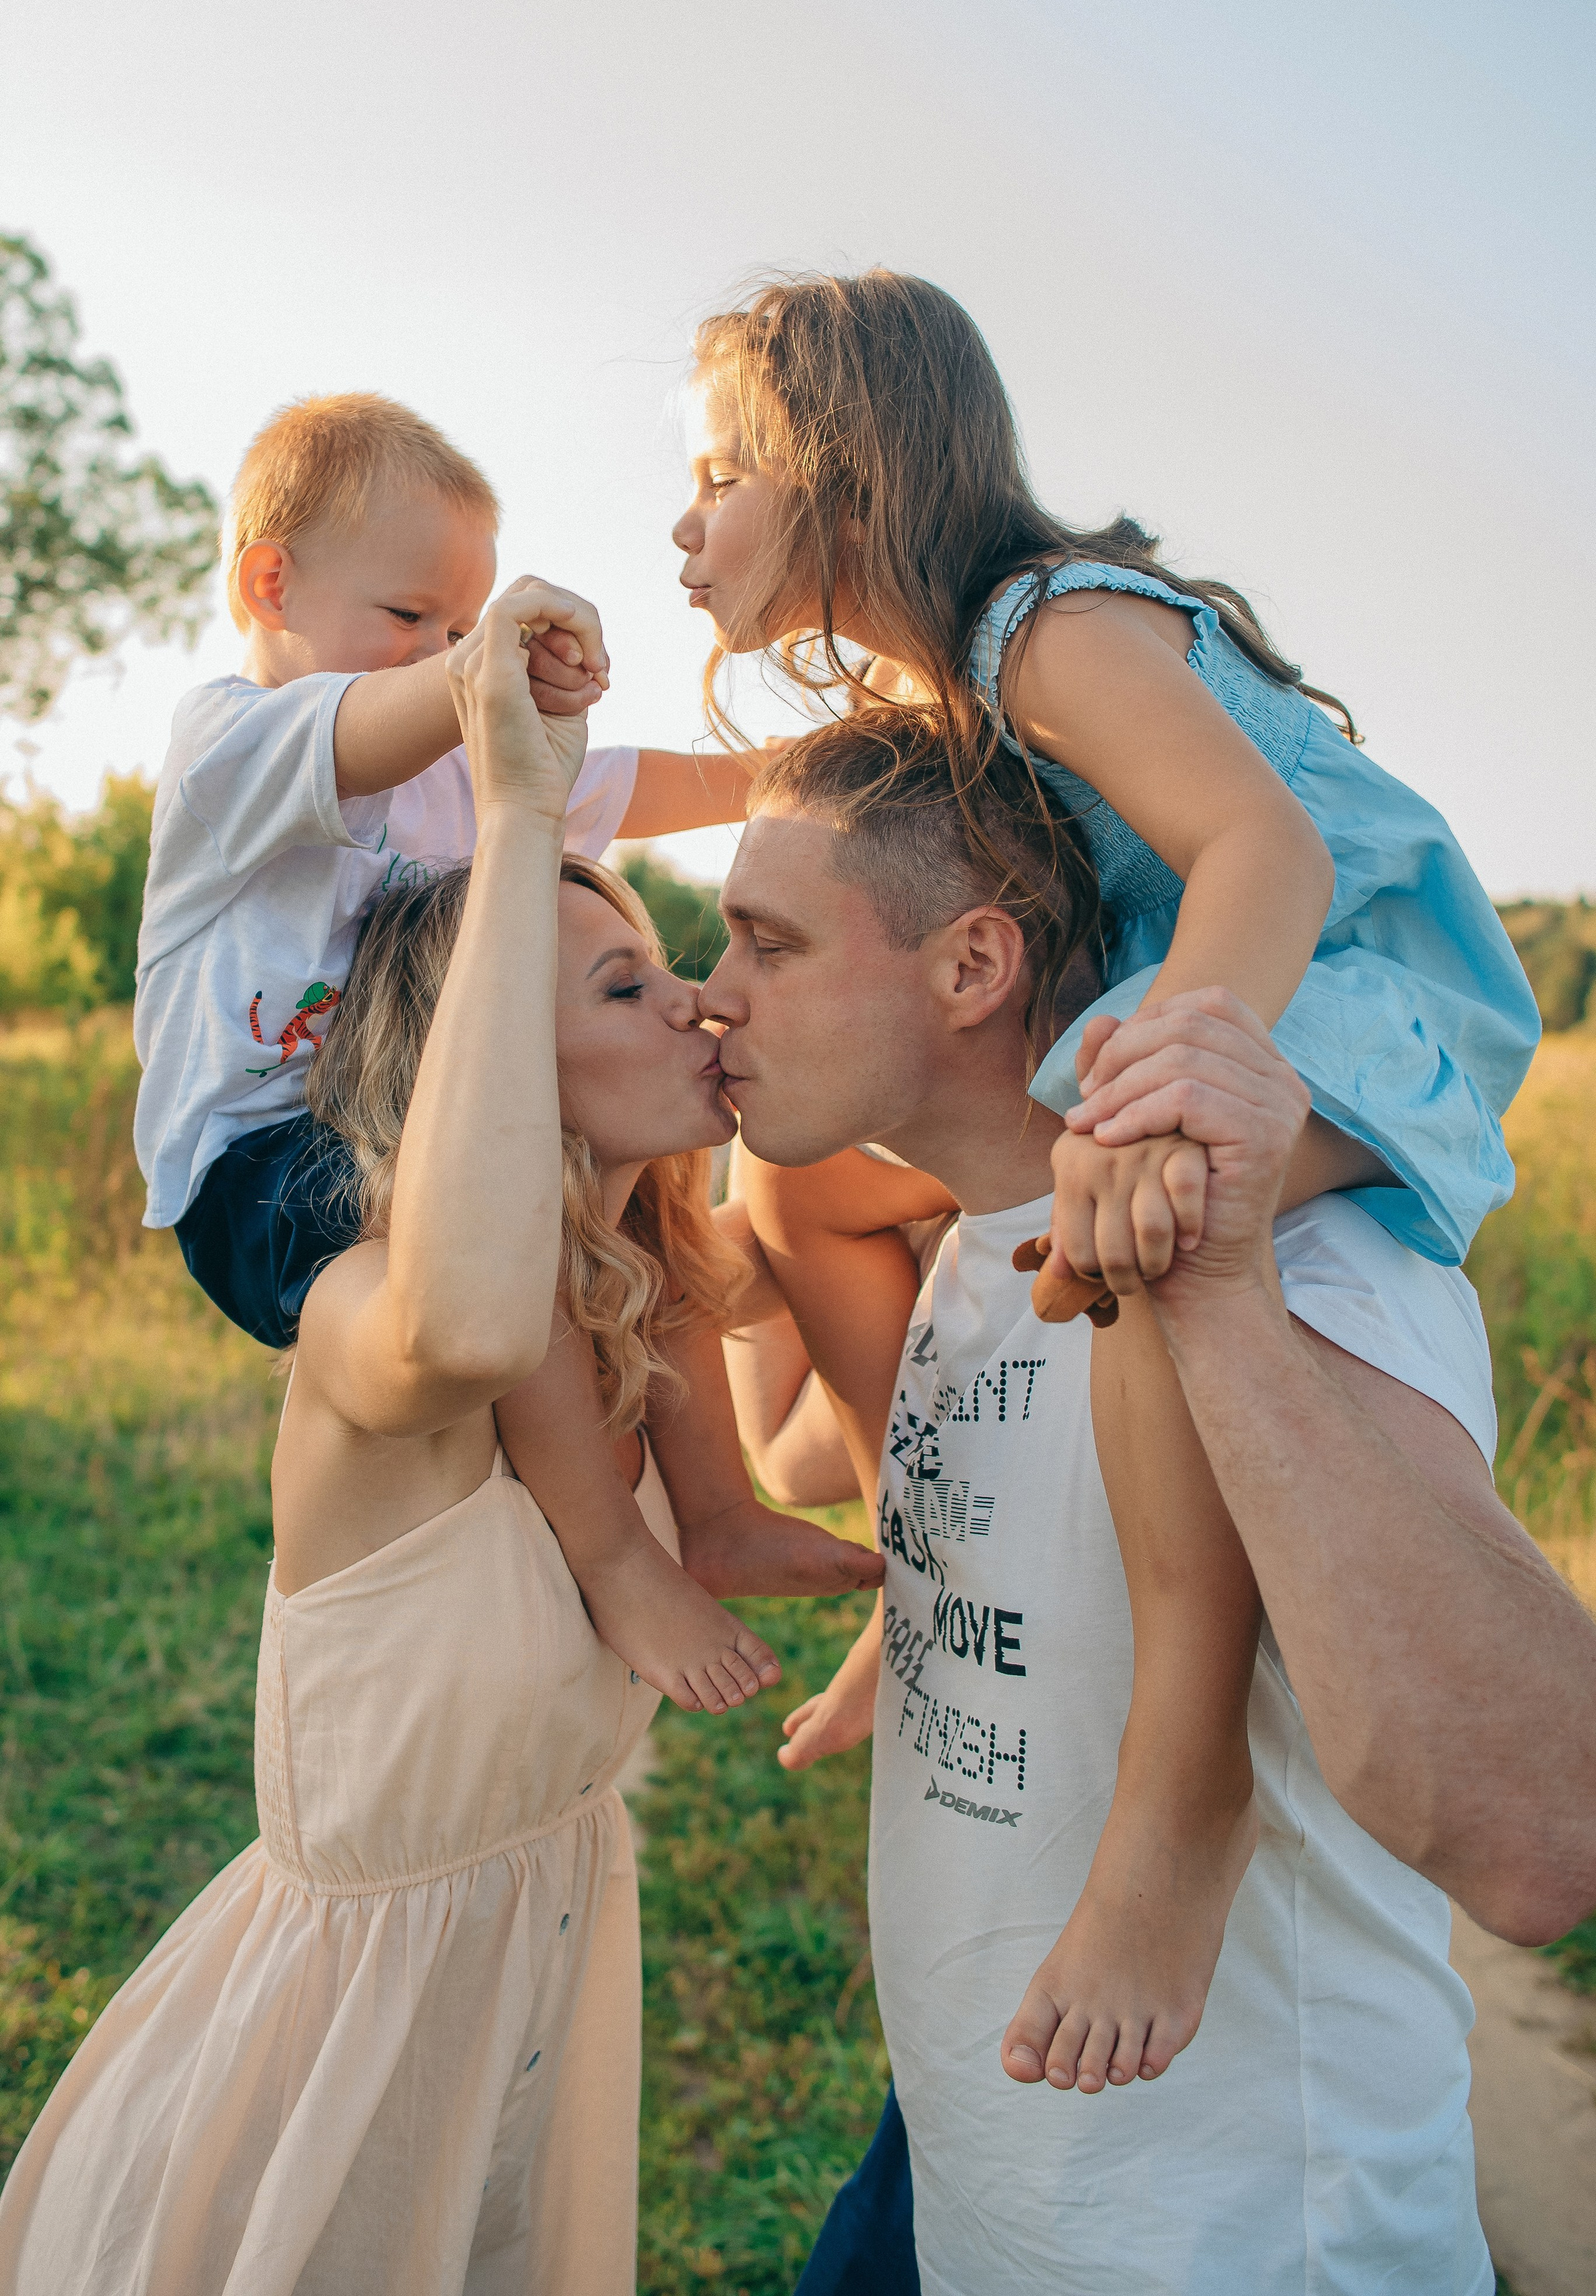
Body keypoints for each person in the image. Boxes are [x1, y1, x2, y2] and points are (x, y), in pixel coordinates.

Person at [675, 269, 1542, 2087]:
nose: (689, 521)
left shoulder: (1041, 628)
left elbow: (1268, 848)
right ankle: (924, 1577)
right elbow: (762, 795)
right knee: (805, 1195)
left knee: (1134, 1211)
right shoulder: (949, 680)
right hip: (1234, 989)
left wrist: (1157, 1104)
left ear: (838, 471)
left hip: (1357, 995)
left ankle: (1181, 1803)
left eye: (721, 472)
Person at [699, 708, 1596, 2295]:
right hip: (989, 2202)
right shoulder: (965, 1240)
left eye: (765, 944)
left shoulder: (1304, 1269)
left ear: (970, 969)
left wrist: (1221, 1290)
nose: (714, 994)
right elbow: (804, 1236)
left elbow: (1545, 1837)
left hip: (1236, 2249)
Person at [0, 603, 748, 2293]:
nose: (690, 999)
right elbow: (466, 1326)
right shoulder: (363, 1329)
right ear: (491, 1050)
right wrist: (524, 813)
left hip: (533, 2016)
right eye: (627, 983)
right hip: (334, 2093)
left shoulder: (637, 1320)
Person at [133, 390, 878, 1712]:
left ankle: (713, 1508)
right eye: (413, 619)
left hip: (387, 1116)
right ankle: (611, 1554)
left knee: (642, 1188)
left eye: (462, 626)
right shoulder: (236, 745)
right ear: (270, 584)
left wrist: (787, 764)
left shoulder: (449, 766)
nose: (446, 652)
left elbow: (631, 787)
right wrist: (480, 681)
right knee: (507, 1197)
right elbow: (377, 726)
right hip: (254, 1165)